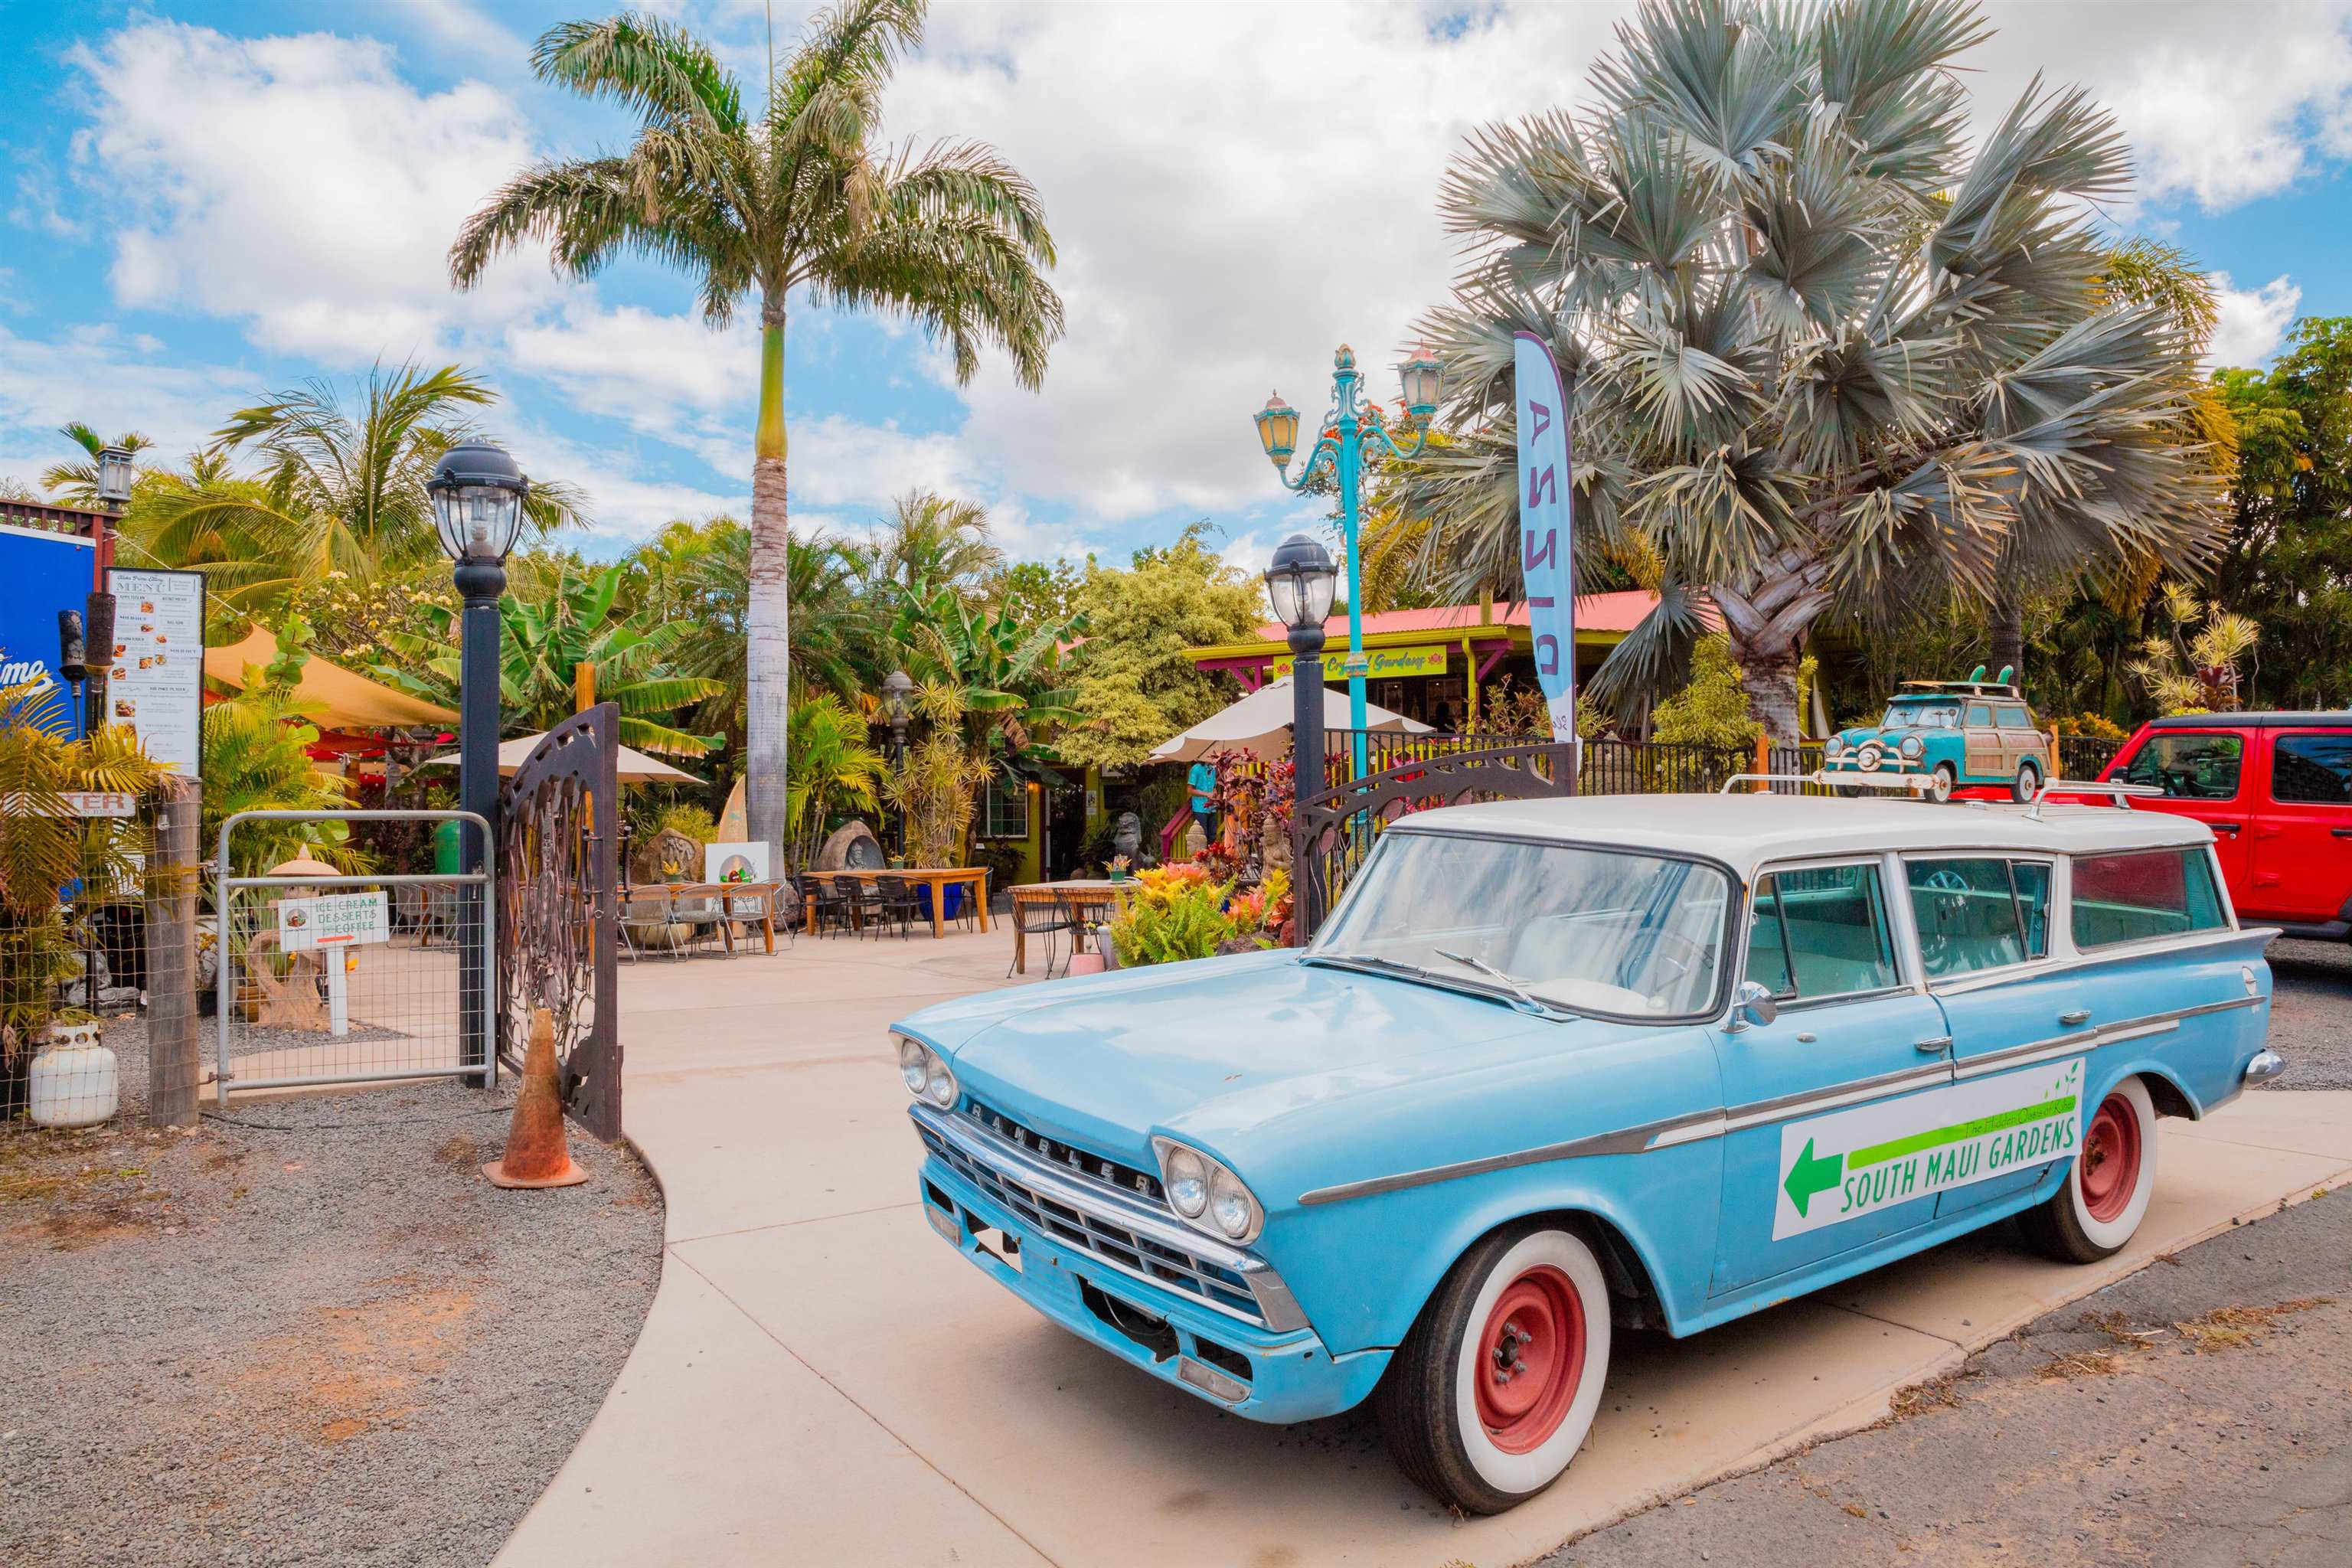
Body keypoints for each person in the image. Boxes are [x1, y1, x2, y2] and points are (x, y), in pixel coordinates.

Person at [1187, 756, 1217, 845]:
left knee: (1213, 835)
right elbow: (1190, 790)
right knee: (1202, 836)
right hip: (1200, 807)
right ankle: (1202, 858)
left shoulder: (1213, 769)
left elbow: (1214, 787)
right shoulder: (1196, 769)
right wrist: (1207, 794)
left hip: (1212, 807)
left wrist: (1215, 794)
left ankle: (1212, 858)